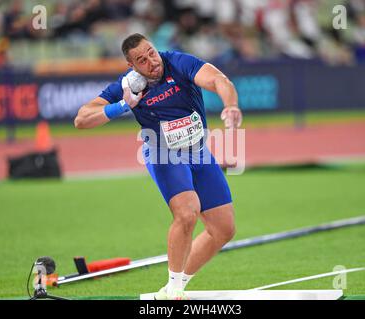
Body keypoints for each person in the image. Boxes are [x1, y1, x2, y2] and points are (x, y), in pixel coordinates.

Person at [74, 33, 242, 300]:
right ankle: (173, 290)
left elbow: (219, 80)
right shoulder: (128, 86)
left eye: (151, 52)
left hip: (198, 152)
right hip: (164, 154)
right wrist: (121, 106)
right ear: (132, 66)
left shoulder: (178, 62)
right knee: (187, 214)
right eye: (142, 59)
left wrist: (230, 105)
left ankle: (175, 286)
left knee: (223, 229)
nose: (151, 61)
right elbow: (81, 120)